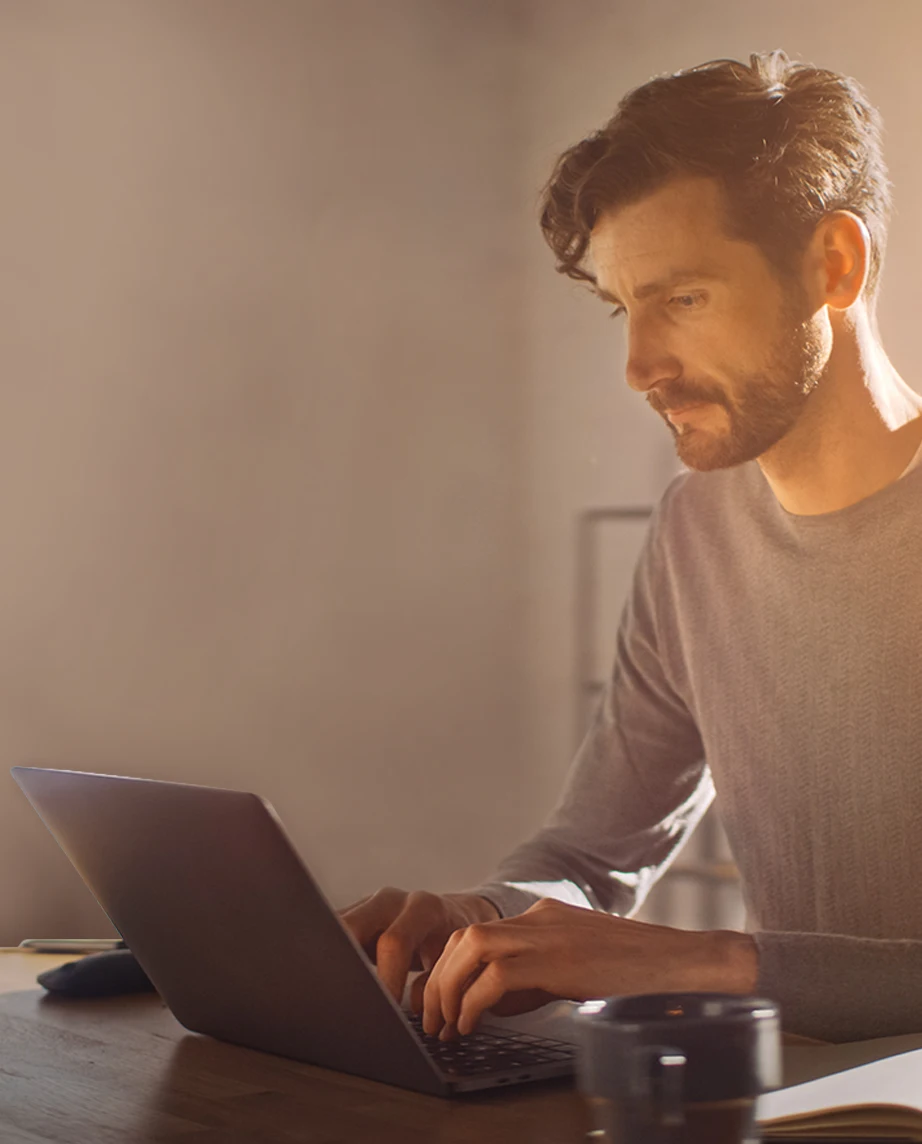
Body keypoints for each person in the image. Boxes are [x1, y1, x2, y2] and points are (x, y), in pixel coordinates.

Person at [341, 48, 922, 1046]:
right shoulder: (694, 533)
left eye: (683, 299)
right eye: (625, 308)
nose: (638, 366)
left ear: (834, 264)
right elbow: (590, 848)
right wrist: (484, 920)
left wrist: (695, 961)